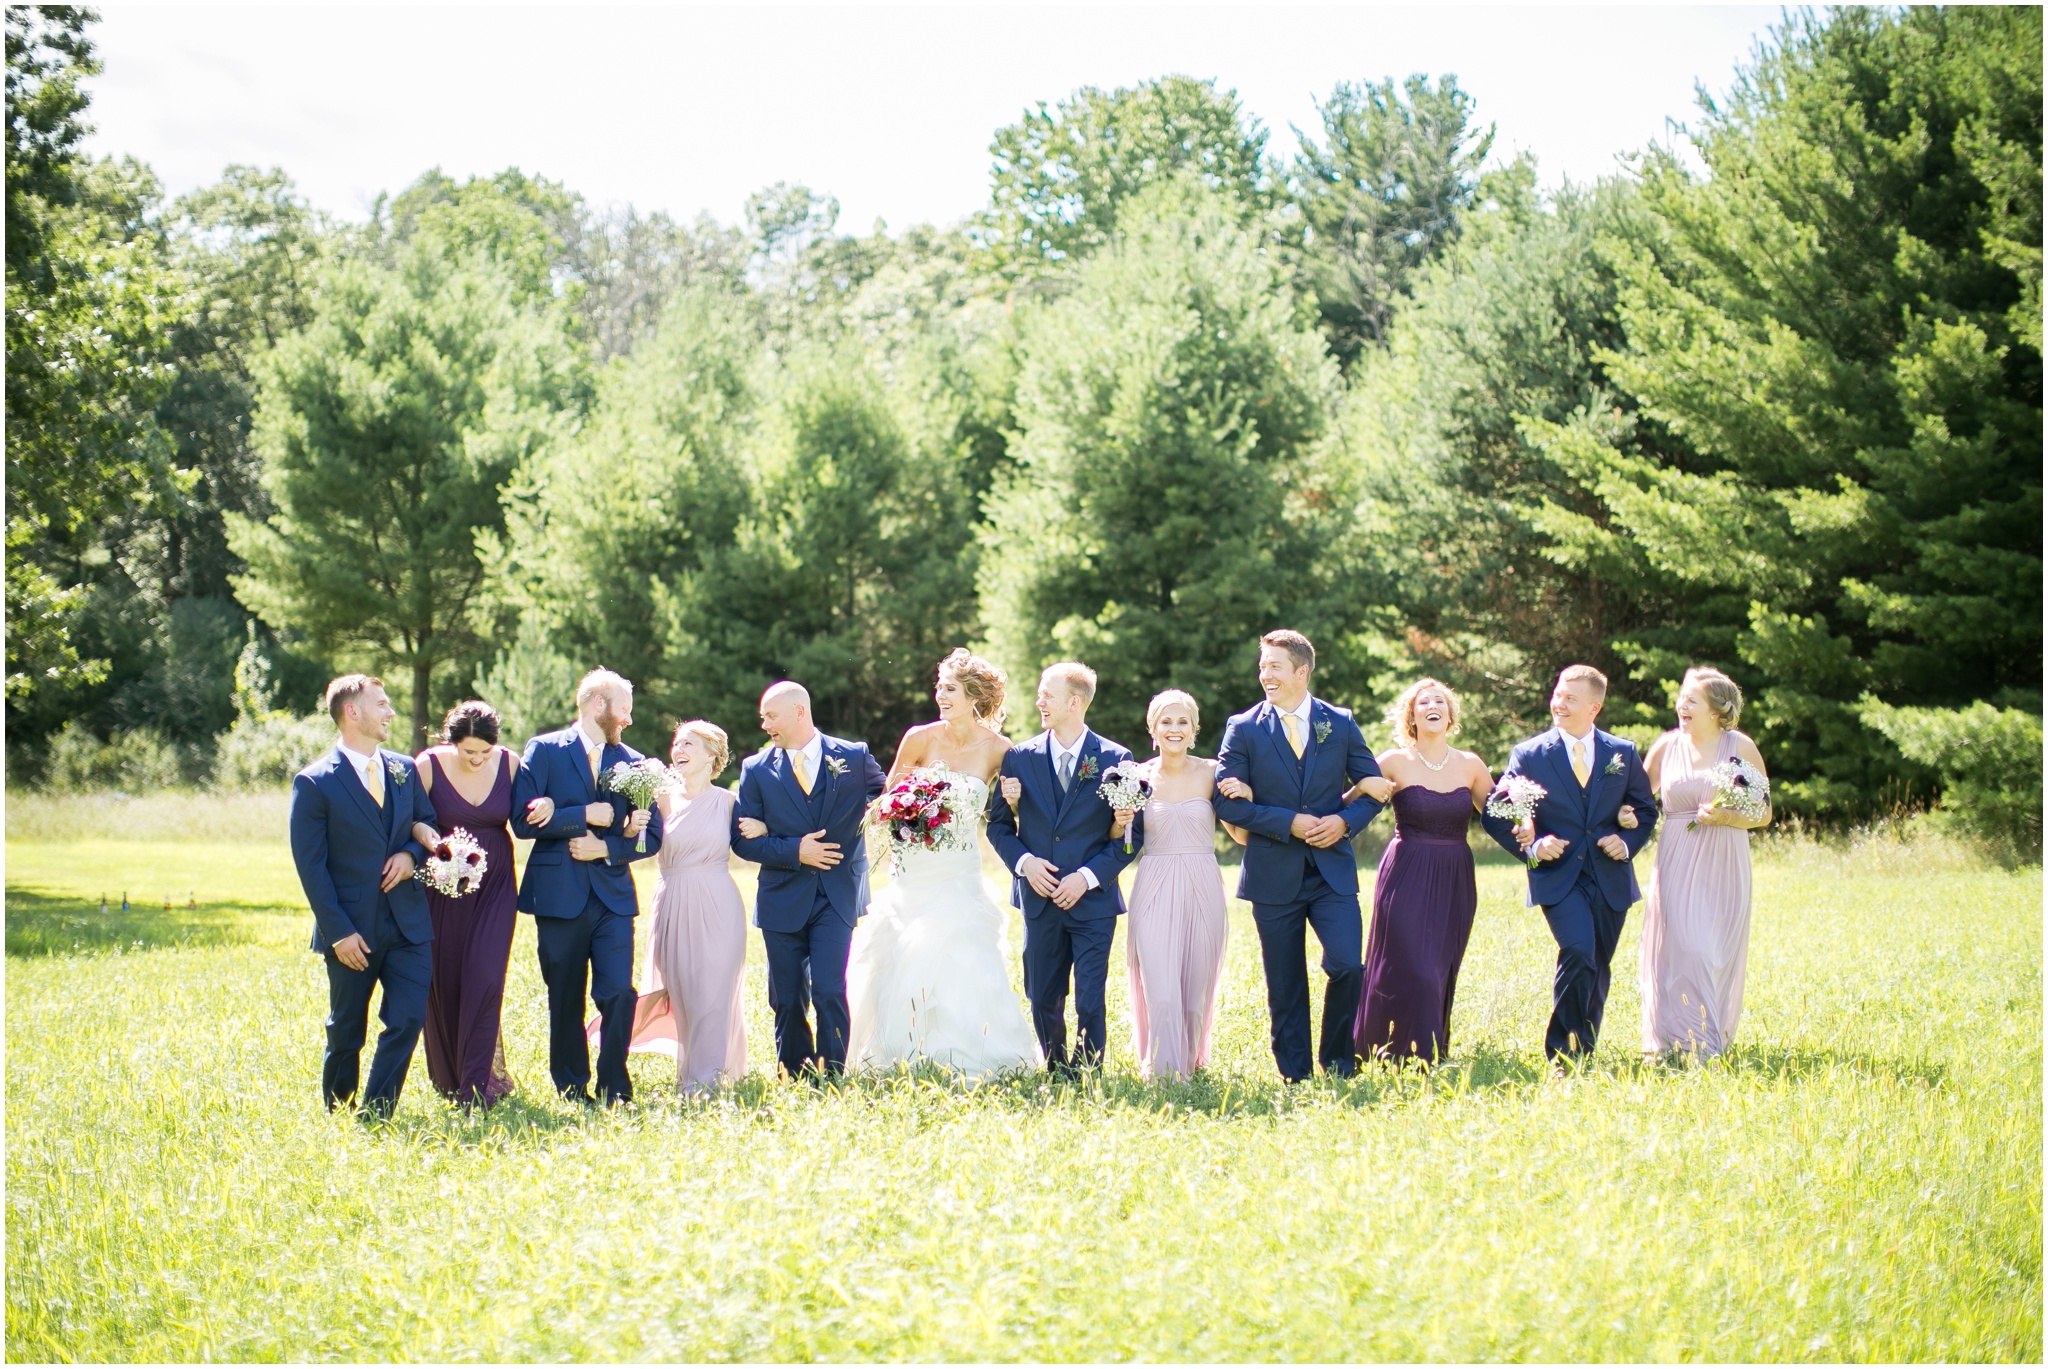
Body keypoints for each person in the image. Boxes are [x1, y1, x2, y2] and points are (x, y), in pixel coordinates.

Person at [835, 649, 1041, 1076]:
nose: (940, 695)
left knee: (961, 954)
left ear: (973, 695)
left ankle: (974, 1051)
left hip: (960, 869)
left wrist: (1017, 801)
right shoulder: (919, 738)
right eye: (939, 687)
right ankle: (897, 1053)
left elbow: (1012, 815)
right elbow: (886, 802)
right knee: (903, 952)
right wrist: (910, 810)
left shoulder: (1001, 750)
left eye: (950, 688)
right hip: (913, 869)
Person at [1212, 630, 1386, 1081]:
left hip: (1332, 873)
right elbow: (1227, 803)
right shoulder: (1243, 727)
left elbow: (1372, 789)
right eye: (1262, 666)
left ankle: (1339, 1063)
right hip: (1273, 872)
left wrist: (1345, 823)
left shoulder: (1340, 722)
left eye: (1274, 666)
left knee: (1348, 964)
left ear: (1301, 671)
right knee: (1285, 982)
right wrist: (1285, 821)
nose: (1264, 674)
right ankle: (1296, 1074)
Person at [1479, 664, 1659, 1066]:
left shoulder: (1622, 753)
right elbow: (1496, 813)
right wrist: (1533, 845)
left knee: (1598, 965)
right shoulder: (1529, 755)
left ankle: (1584, 1051)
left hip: (1610, 877)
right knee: (1578, 951)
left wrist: (1626, 841)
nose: (1559, 703)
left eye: (1571, 698)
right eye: (1558, 693)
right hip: (1558, 877)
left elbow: (1646, 811)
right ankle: (1561, 1054)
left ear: (1594, 708)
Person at [510, 669, 662, 1106]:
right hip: (558, 896)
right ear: (599, 706)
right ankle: (572, 1087)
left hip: (612, 897)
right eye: (624, 711)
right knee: (565, 996)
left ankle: (615, 1083)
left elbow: (649, 837)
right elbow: (521, 820)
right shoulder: (544, 751)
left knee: (618, 992)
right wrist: (583, 814)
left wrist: (607, 849)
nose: (628, 721)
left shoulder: (634, 763)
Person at [288, 675, 437, 1116]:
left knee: (408, 1019)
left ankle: (377, 1111)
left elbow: (425, 824)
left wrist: (412, 856)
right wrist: (339, 933)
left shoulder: (404, 769)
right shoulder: (314, 782)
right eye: (382, 704)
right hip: (352, 929)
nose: (391, 712)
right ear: (352, 712)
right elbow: (310, 867)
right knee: (347, 1029)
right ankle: (339, 1111)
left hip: (409, 921)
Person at [986, 662, 1139, 1075]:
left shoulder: (1114, 757)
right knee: (1042, 994)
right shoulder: (1018, 757)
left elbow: (1129, 837)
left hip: (1093, 902)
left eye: (1047, 694)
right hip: (1039, 897)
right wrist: (1025, 863)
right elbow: (999, 827)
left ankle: (1088, 1068)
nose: (1039, 701)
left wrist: (1085, 878)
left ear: (1074, 702)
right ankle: (1056, 1067)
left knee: (1090, 995)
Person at [730, 681, 887, 1079]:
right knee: (785, 996)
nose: (764, 724)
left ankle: (832, 1073)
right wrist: (793, 850)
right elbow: (742, 843)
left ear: (800, 712)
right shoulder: (756, 769)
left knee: (830, 989)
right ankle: (793, 1071)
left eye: (771, 715)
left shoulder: (853, 756)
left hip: (837, 895)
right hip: (782, 894)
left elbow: (888, 798)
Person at [1352, 679, 1491, 1065]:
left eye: (1440, 701)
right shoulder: (1395, 760)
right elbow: (1349, 802)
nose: (1432, 705)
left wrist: (1531, 832)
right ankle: (1386, 1049)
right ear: (1411, 716)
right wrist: (1362, 784)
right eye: (1423, 701)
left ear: (1450, 714)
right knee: (1410, 963)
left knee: (1439, 965)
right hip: (1406, 871)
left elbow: (1499, 815)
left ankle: (1425, 1051)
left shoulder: (1471, 764)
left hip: (1455, 876)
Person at [607, 720, 749, 1093]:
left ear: (712, 755)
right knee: (683, 991)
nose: (679, 750)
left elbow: (754, 843)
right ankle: (690, 1072)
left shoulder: (730, 802)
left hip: (719, 903)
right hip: (672, 898)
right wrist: (626, 829)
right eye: (676, 743)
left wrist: (762, 830)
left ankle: (707, 1082)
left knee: (714, 991)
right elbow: (639, 846)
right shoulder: (658, 797)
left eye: (689, 744)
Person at [1639, 667, 1770, 1059]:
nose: (1682, 705)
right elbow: (1640, 802)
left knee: (1712, 952)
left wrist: (1729, 816)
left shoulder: (1740, 746)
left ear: (1716, 710)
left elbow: (1763, 813)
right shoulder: (1666, 747)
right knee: (1681, 949)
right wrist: (1630, 816)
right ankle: (1673, 1043)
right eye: (1682, 697)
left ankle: (1706, 1041)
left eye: (1692, 700)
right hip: (1677, 857)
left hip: (1724, 860)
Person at [414, 701, 524, 1107]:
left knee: (486, 975)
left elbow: (527, 814)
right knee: (445, 978)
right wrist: (435, 844)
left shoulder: (510, 764)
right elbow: (411, 818)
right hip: (444, 883)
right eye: (468, 752)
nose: (477, 760)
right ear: (451, 743)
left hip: (495, 882)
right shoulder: (427, 764)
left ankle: (477, 1086)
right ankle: (451, 1076)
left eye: (485, 752)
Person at [1120, 689, 1230, 1081]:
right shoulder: (1135, 775)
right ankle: (1164, 1073)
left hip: (1203, 881)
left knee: (1196, 990)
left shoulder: (1213, 772)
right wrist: (1119, 820)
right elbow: (1121, 840)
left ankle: (1192, 1060)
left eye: (1182, 721)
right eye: (1166, 721)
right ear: (1152, 728)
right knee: (1161, 986)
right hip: (1154, 881)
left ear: (1194, 729)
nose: (1174, 729)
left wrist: (1246, 796)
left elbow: (1238, 831)